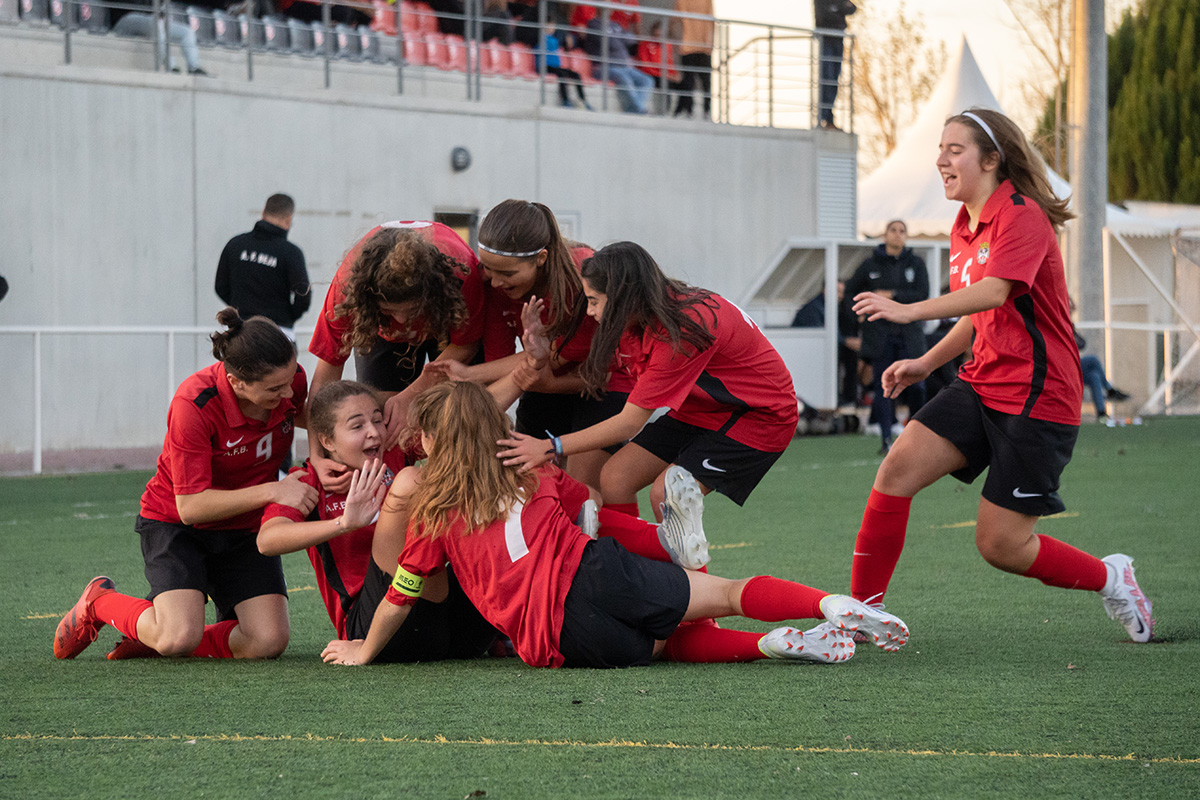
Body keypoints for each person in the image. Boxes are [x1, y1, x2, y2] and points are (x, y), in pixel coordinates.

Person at [320, 381, 910, 668]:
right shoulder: (533, 471)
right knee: (726, 593)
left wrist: (365, 651)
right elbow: (592, 514)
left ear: (431, 441)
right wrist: (654, 542)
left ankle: (770, 646)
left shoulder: (433, 510)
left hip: (558, 638)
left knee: (671, 644)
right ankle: (830, 604)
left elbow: (403, 592)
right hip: (596, 569)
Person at [847, 107, 1154, 644]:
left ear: (992, 159)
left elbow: (995, 291)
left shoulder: (1022, 215)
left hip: (1039, 396)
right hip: (982, 383)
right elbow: (977, 315)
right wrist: (927, 362)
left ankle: (1112, 577)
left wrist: (908, 310)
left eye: (955, 149)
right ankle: (861, 616)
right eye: (940, 149)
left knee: (1000, 545)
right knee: (895, 470)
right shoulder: (964, 225)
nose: (941, 159)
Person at [54, 309, 316, 661]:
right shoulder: (192, 404)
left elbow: (307, 415)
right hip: (176, 526)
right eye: (274, 389)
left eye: (290, 381)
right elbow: (190, 507)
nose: (288, 394)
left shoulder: (288, 377)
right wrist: (274, 490)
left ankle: (151, 633)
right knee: (178, 639)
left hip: (243, 527)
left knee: (267, 642)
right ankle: (100, 602)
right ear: (237, 382)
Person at [498, 241, 799, 523]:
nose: (589, 311)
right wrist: (538, 358)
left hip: (760, 417)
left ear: (622, 296)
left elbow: (629, 424)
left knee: (669, 495)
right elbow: (593, 380)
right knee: (615, 478)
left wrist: (550, 447)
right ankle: (632, 569)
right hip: (705, 409)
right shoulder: (634, 319)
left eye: (593, 301)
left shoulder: (680, 330)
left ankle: (689, 580)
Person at [257, 380, 498, 661]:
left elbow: (464, 428)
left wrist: (523, 375)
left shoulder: (395, 453)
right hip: (374, 632)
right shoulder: (311, 481)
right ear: (327, 441)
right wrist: (345, 523)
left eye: (378, 420)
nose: (374, 433)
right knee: (411, 483)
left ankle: (514, 621)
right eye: (357, 426)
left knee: (476, 461)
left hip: (446, 628)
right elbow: (267, 541)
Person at [443, 200, 631, 489]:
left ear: (541, 258)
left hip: (603, 382)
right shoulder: (492, 284)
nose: (494, 282)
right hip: (544, 377)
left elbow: (557, 360)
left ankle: (620, 534)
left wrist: (469, 374)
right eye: (488, 269)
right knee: (527, 478)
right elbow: (500, 357)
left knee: (583, 487)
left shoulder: (581, 277)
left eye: (507, 274)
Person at [307, 220, 485, 447]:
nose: (401, 321)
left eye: (411, 311)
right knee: (382, 415)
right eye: (389, 311)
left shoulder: (460, 274)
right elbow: (325, 378)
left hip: (444, 322)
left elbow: (466, 345)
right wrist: (316, 454)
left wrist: (412, 394)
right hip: (381, 334)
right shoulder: (349, 289)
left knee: (464, 412)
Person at [845, 220, 930, 453]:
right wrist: (858, 314)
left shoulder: (916, 264)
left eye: (902, 231)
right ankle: (885, 439)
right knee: (885, 388)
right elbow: (851, 291)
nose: (897, 235)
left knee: (917, 387)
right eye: (893, 230)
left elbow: (922, 294)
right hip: (880, 336)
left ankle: (915, 436)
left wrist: (891, 295)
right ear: (885, 235)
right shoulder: (870, 264)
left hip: (909, 336)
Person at [215, 193, 311, 340]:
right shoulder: (290, 252)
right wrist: (287, 316)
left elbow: (221, 286)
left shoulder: (235, 244)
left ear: (263, 213)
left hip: (240, 333)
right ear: (289, 219)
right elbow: (303, 295)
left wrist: (242, 309)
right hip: (279, 334)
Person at [109, 0, 209, 76]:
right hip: (124, 19)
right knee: (157, 23)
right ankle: (170, 66)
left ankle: (193, 67)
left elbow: (161, 11)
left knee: (187, 32)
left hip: (149, 21)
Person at [585, 15, 654, 115]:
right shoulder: (593, 24)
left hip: (624, 67)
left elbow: (631, 40)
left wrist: (617, 37)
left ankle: (636, 108)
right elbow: (610, 42)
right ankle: (638, 109)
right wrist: (619, 38)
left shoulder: (615, 25)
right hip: (604, 67)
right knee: (623, 77)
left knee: (647, 80)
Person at [813, 0, 855, 130]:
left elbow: (852, 8)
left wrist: (836, 8)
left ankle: (829, 118)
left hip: (838, 39)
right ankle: (824, 118)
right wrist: (839, 9)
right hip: (826, 39)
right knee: (826, 78)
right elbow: (823, 16)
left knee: (834, 81)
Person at [673, 0, 713, 119]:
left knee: (701, 80)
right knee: (692, 81)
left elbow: (674, 22)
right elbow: (675, 21)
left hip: (698, 46)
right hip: (691, 46)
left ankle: (702, 110)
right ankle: (692, 110)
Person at [540, 20, 592, 110]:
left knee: (576, 74)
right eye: (549, 26)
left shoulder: (555, 39)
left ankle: (582, 99)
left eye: (552, 26)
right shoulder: (541, 38)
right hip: (546, 66)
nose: (551, 28)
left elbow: (568, 46)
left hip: (555, 66)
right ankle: (565, 100)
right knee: (562, 75)